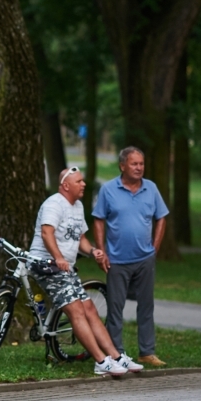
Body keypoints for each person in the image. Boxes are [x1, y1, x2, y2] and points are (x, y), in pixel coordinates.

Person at [30, 167, 144, 376]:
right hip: (47, 265)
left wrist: (93, 251)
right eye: (79, 181)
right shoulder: (54, 204)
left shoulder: (77, 206)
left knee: (89, 308)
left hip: (64, 268)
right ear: (66, 186)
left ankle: (116, 356)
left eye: (83, 181)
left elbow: (80, 238)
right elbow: (47, 233)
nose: (84, 184)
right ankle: (101, 361)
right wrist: (58, 257)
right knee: (77, 310)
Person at [93, 147, 169, 367]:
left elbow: (162, 217)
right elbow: (99, 219)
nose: (139, 168)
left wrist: (155, 247)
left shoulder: (151, 189)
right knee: (115, 308)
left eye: (141, 164)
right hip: (117, 260)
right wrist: (101, 251)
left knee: (146, 306)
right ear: (122, 166)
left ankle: (147, 351)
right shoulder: (108, 190)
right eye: (134, 164)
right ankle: (116, 354)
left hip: (145, 259)